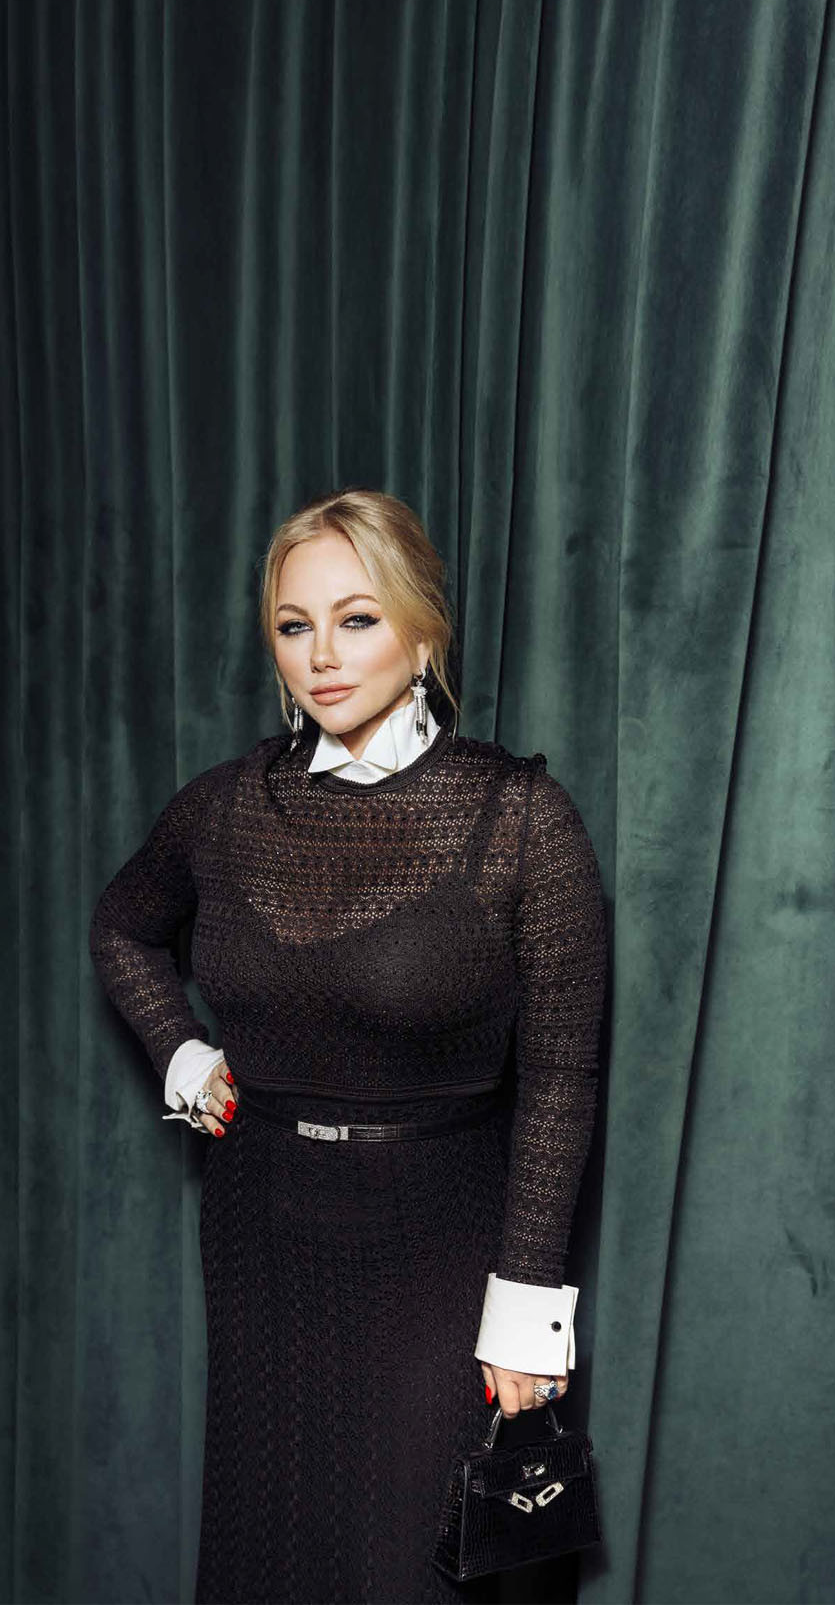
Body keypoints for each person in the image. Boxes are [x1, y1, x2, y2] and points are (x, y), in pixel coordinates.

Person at [88, 488, 608, 1605]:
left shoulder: (519, 818)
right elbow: (123, 928)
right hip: (261, 1228)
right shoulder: (224, 808)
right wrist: (184, 1058)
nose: (321, 654)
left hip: (442, 1246)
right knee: (270, 1551)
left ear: (422, 634)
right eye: (294, 625)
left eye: (357, 618)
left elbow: (563, 1078)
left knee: (406, 1567)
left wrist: (527, 1311)